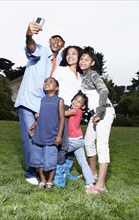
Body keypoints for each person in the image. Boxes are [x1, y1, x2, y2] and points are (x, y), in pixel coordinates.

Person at [14, 20, 65, 185]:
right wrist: (28, 34)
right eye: (54, 39)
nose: (57, 42)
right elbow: (31, 46)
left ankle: (44, 170)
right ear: (49, 41)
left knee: (43, 138)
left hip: (44, 105)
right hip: (29, 101)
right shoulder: (41, 51)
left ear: (62, 46)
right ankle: (30, 172)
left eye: (60, 41)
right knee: (30, 138)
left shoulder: (58, 64)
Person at [79, 46, 115, 194]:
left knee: (101, 145)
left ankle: (101, 186)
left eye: (86, 59)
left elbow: (104, 90)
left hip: (104, 111)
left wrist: (99, 113)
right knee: (88, 142)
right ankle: (92, 173)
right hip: (96, 114)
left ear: (92, 63)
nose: (82, 61)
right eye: (81, 59)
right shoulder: (83, 76)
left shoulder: (93, 74)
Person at [52, 45, 82, 187]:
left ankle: (66, 171)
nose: (70, 56)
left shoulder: (80, 76)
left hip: (73, 111)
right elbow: (51, 85)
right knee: (63, 143)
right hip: (61, 108)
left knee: (72, 142)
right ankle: (58, 175)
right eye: (68, 54)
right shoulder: (61, 70)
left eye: (74, 53)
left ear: (79, 57)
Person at [29, 77, 65, 189]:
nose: (47, 83)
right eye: (45, 81)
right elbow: (42, 117)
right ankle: (42, 180)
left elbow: (62, 118)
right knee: (39, 160)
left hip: (51, 137)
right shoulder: (42, 100)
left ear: (57, 88)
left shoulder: (59, 100)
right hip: (39, 135)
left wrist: (59, 135)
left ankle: (50, 181)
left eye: (51, 82)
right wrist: (35, 124)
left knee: (50, 161)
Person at [65, 90, 95, 189]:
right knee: (83, 161)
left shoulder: (77, 111)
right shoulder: (78, 110)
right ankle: (90, 182)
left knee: (57, 152)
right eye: (75, 99)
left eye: (79, 102)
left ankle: (60, 173)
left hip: (72, 141)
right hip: (79, 140)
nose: (75, 102)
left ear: (82, 106)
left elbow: (63, 113)